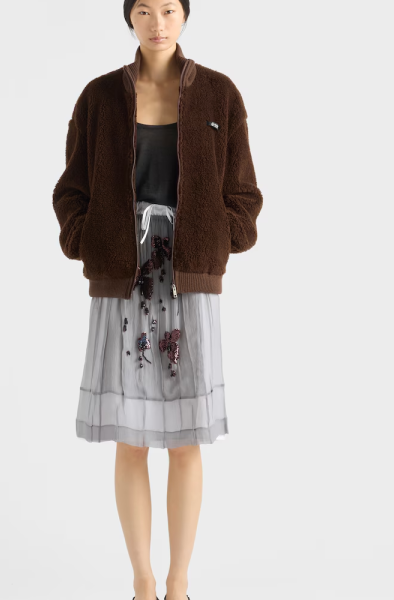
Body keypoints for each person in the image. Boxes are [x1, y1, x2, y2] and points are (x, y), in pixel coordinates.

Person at [52, 1, 263, 598]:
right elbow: (70, 189)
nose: (158, 23)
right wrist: (86, 238)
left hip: (188, 276)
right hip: (123, 276)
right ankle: (143, 583)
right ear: (130, 19)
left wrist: (220, 236)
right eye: (143, 10)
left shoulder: (220, 94)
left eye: (169, 9)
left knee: (187, 439)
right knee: (131, 440)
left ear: (186, 15)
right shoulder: (98, 98)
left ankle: (178, 584)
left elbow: (245, 192)